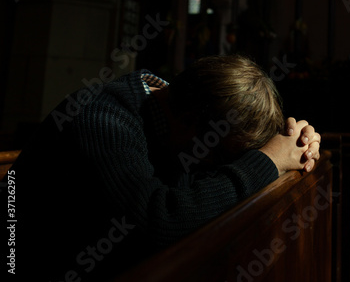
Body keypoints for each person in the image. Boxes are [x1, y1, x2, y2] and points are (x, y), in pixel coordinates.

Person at [6, 54, 321, 281]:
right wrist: (266, 161)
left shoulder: (174, 114)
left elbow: (193, 183)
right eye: (222, 156)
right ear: (191, 123)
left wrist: (295, 142)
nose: (220, 166)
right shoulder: (102, 119)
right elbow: (156, 220)